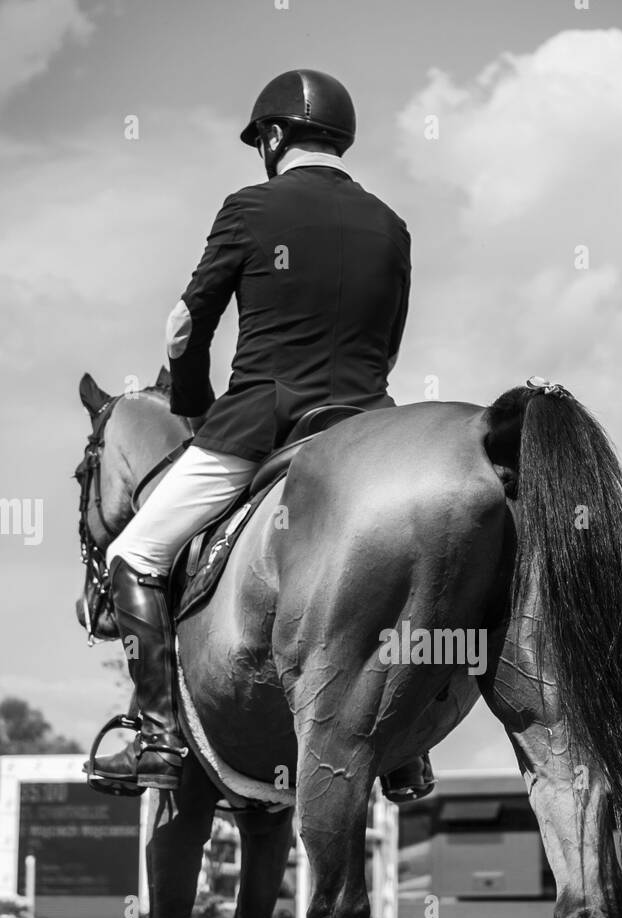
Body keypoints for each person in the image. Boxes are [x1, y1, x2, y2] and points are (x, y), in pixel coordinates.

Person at [90, 69, 434, 803]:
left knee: (135, 554)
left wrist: (193, 401)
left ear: (273, 138)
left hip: (260, 426)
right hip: (371, 431)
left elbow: (185, 326)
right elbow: (390, 340)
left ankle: (156, 733)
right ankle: (405, 752)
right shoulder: (392, 226)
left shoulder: (250, 206)